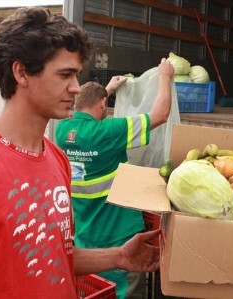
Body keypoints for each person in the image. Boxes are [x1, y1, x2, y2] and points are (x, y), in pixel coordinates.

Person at [0, 7, 161, 298]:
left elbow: (54, 255)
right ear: (21, 72)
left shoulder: (57, 157)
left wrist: (118, 257)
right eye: (65, 75)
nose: (76, 88)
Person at [55, 59, 174, 299]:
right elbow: (160, 114)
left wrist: (106, 90)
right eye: (105, 105)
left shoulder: (62, 130)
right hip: (118, 236)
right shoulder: (108, 133)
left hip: (86, 239)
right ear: (101, 105)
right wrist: (164, 76)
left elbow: (87, 107)